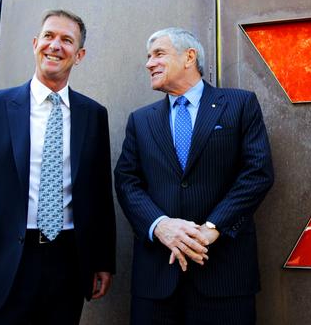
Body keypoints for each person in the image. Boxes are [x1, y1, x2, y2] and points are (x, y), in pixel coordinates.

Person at [0, 9, 116, 324]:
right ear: (35, 43)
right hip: (2, 263)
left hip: (68, 262)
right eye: (49, 36)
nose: (55, 45)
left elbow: (99, 195)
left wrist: (103, 261)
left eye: (67, 40)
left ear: (79, 55)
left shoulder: (93, 114)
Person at [114, 27, 274, 325]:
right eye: (148, 57)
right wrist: (160, 226)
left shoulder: (240, 104)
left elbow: (257, 173)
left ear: (189, 57)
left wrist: (213, 228)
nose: (149, 63)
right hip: (156, 279)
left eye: (158, 54)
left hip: (224, 274)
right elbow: (127, 181)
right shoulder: (141, 120)